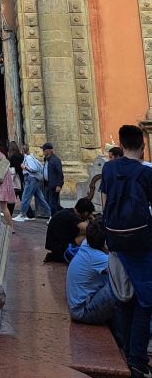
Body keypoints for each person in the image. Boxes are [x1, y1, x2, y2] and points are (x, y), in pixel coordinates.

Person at [101, 123, 152, 378]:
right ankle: (138, 361)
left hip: (116, 242)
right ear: (143, 147)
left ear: (120, 145)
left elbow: (104, 203)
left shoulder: (108, 169)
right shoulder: (146, 174)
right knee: (145, 300)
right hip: (142, 243)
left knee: (123, 298)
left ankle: (124, 349)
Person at [66, 217, 118, 328]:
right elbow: (122, 271)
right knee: (120, 286)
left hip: (79, 305)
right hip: (83, 311)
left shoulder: (86, 244)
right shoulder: (97, 257)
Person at [44, 198, 95, 263]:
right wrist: (94, 220)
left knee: (83, 232)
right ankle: (58, 256)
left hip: (55, 246)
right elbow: (92, 229)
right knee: (89, 234)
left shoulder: (69, 212)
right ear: (86, 213)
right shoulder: (73, 217)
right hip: (60, 248)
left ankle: (56, 255)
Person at [14, 143, 52, 221]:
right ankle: (51, 214)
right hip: (34, 179)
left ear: (22, 150)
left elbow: (33, 168)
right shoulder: (31, 157)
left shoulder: (28, 158)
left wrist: (25, 167)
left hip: (30, 179)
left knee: (25, 197)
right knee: (40, 198)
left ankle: (22, 215)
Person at [42, 143, 64, 214]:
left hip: (54, 185)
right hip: (47, 184)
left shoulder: (55, 160)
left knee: (52, 203)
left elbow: (60, 173)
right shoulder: (46, 159)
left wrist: (59, 185)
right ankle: (58, 215)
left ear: (48, 151)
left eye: (44, 150)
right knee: (50, 202)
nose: (43, 151)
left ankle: (54, 217)